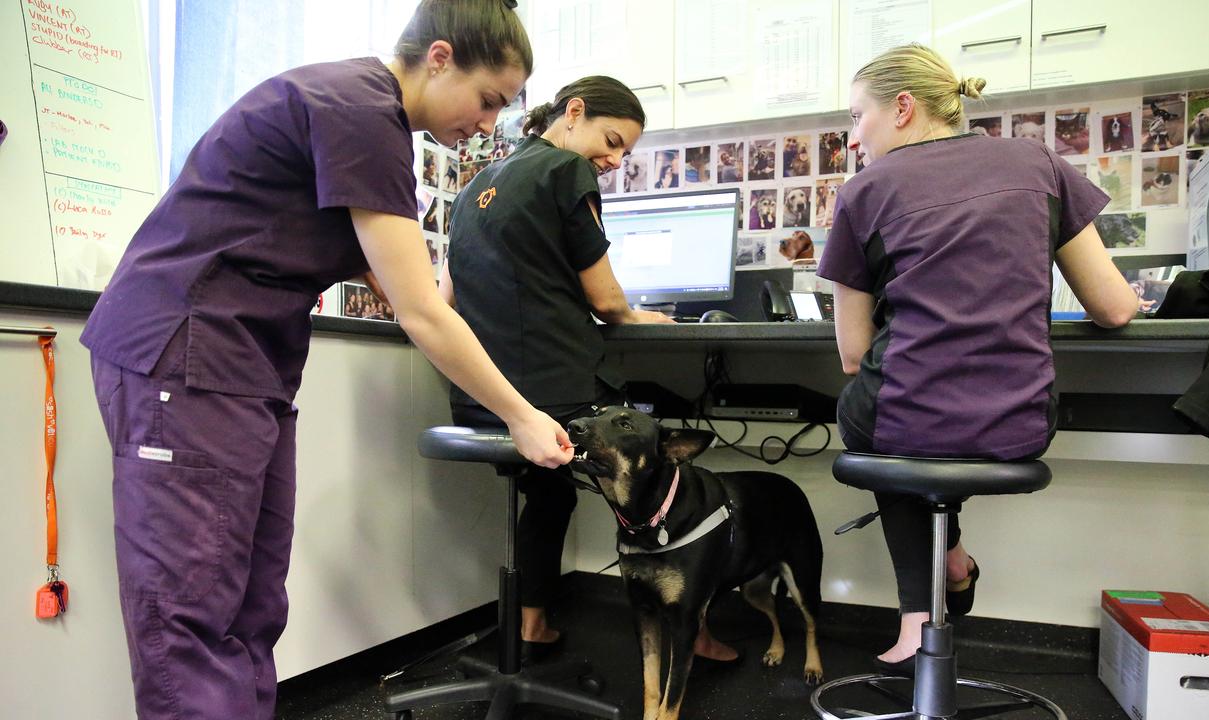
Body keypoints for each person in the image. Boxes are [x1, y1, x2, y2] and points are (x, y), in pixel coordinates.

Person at [79, 2, 573, 718]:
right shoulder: (359, 111)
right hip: (182, 356)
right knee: (189, 620)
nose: (489, 122)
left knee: (252, 603)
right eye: (488, 99)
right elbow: (421, 310)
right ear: (440, 58)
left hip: (242, 365)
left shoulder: (368, 123)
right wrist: (521, 415)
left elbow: (412, 287)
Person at [815, 44, 1138, 675]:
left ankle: (923, 606)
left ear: (903, 107)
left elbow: (854, 356)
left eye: (858, 117)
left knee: (886, 424)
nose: (854, 139)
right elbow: (1116, 308)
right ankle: (949, 565)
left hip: (902, 418)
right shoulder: (1039, 162)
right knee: (917, 423)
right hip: (1021, 423)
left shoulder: (864, 192)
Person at [439, 75, 739, 663]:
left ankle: (530, 623)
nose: (615, 159)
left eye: (625, 151)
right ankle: (692, 624)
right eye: (612, 139)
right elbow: (606, 302)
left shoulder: (476, 185)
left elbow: (444, 301)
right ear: (572, 113)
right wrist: (639, 316)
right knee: (664, 470)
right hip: (554, 395)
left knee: (551, 495)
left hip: (481, 400)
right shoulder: (564, 171)